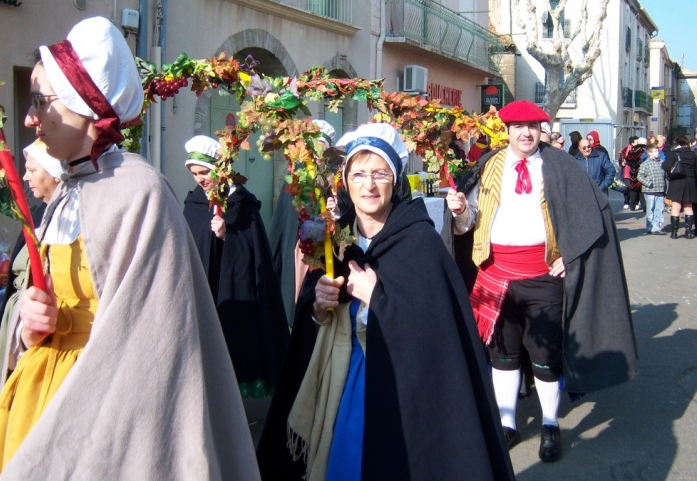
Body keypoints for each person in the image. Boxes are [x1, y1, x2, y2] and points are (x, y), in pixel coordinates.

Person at [0, 17, 259, 480]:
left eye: (39, 101)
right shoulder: (68, 192)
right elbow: (48, 304)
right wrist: (28, 326)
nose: (29, 118)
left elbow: (149, 345)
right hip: (40, 398)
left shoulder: (138, 190)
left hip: (99, 408)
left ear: (83, 105)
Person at [256, 123, 515, 480]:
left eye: (380, 173)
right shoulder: (336, 239)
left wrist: (378, 299)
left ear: (396, 180)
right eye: (358, 173)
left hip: (399, 388)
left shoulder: (419, 241)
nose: (369, 185)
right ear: (345, 181)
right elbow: (309, 328)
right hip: (342, 380)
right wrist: (317, 307)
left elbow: (436, 337)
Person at [444, 100, 637, 463]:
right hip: (493, 275)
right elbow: (468, 224)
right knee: (502, 356)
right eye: (518, 126)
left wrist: (572, 252)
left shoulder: (559, 165)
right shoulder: (488, 166)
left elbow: (593, 212)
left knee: (545, 357)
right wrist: (459, 212)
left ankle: (550, 424)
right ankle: (507, 424)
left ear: (541, 129)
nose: (526, 132)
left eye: (533, 125)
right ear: (507, 130)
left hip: (542, 275)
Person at [183, 134, 290, 399]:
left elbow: (255, 253)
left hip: (235, 287)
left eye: (204, 171)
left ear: (220, 169)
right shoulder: (193, 204)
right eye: (195, 173)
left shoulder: (243, 205)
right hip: (205, 288)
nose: (199, 179)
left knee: (235, 342)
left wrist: (226, 235)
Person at [0, 140, 65, 418]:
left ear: (54, 173)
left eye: (31, 169)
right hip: (20, 321)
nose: (26, 176)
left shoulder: (69, 218)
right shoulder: (37, 215)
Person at [268, 120, 336, 326]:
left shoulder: (336, 178)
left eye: (321, 151)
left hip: (328, 252)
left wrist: (334, 209)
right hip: (302, 250)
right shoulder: (296, 179)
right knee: (301, 301)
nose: (316, 157)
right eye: (312, 151)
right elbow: (285, 220)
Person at [662, 135, 697, 239]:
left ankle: (674, 233)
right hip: (690, 182)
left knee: (675, 207)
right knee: (688, 207)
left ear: (677, 143)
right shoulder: (693, 154)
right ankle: (689, 232)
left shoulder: (674, 153)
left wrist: (663, 164)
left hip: (676, 182)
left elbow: (667, 166)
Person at [636, 144, 668, 235]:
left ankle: (657, 227)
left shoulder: (661, 162)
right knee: (651, 210)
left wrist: (665, 189)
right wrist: (649, 183)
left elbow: (665, 177)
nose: (657, 153)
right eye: (655, 151)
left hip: (660, 190)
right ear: (649, 153)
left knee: (659, 209)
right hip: (649, 191)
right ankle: (650, 227)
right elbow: (640, 176)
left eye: (657, 151)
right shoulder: (645, 163)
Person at [625, 138, 647, 212]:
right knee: (642, 190)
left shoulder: (633, 149)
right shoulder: (646, 149)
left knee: (633, 189)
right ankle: (644, 207)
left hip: (634, 172)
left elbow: (627, 160)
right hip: (643, 172)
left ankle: (632, 206)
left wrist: (632, 165)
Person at [620, 136, 639, 208]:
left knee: (635, 188)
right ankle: (626, 202)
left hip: (635, 171)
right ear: (632, 143)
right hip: (627, 172)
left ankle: (635, 202)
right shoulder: (625, 150)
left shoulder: (639, 150)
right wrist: (621, 163)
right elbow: (621, 159)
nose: (638, 143)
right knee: (626, 187)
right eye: (636, 142)